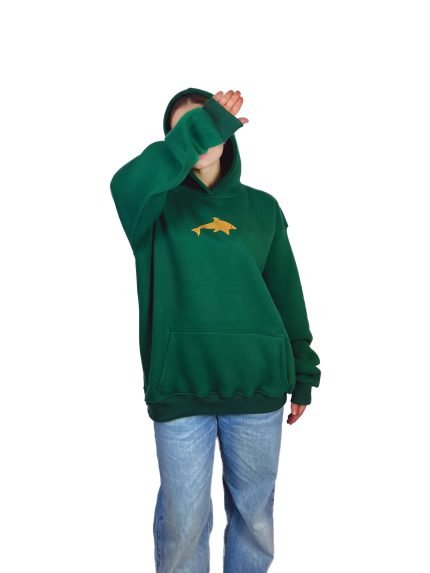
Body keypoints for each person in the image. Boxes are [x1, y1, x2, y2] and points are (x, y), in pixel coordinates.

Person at [110, 87, 321, 573]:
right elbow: (126, 181)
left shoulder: (263, 208)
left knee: (255, 518)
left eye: (207, 125)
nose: (200, 138)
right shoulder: (151, 207)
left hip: (258, 386)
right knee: (183, 522)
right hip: (180, 387)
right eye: (187, 130)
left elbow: (286, 294)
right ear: (173, 142)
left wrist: (304, 372)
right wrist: (200, 128)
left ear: (228, 134)